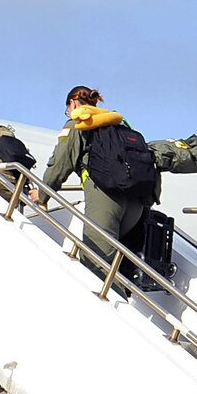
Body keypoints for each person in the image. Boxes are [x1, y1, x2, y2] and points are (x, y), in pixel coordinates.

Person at [38, 86, 158, 275]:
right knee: (114, 264)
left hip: (105, 198)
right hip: (136, 205)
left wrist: (42, 194)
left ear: (74, 103)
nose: (68, 112)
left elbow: (61, 163)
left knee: (96, 262)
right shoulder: (119, 125)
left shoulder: (77, 124)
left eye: (67, 108)